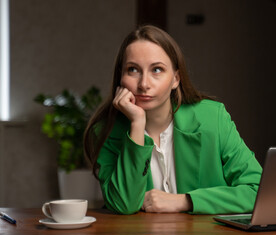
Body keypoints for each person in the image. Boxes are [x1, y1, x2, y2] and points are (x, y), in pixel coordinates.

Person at [84, 25, 262, 215]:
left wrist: (186, 201)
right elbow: (124, 205)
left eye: (157, 69)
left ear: (176, 79)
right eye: (133, 69)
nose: (144, 84)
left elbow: (258, 190)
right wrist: (137, 124)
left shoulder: (212, 118)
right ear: (121, 77)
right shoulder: (106, 131)